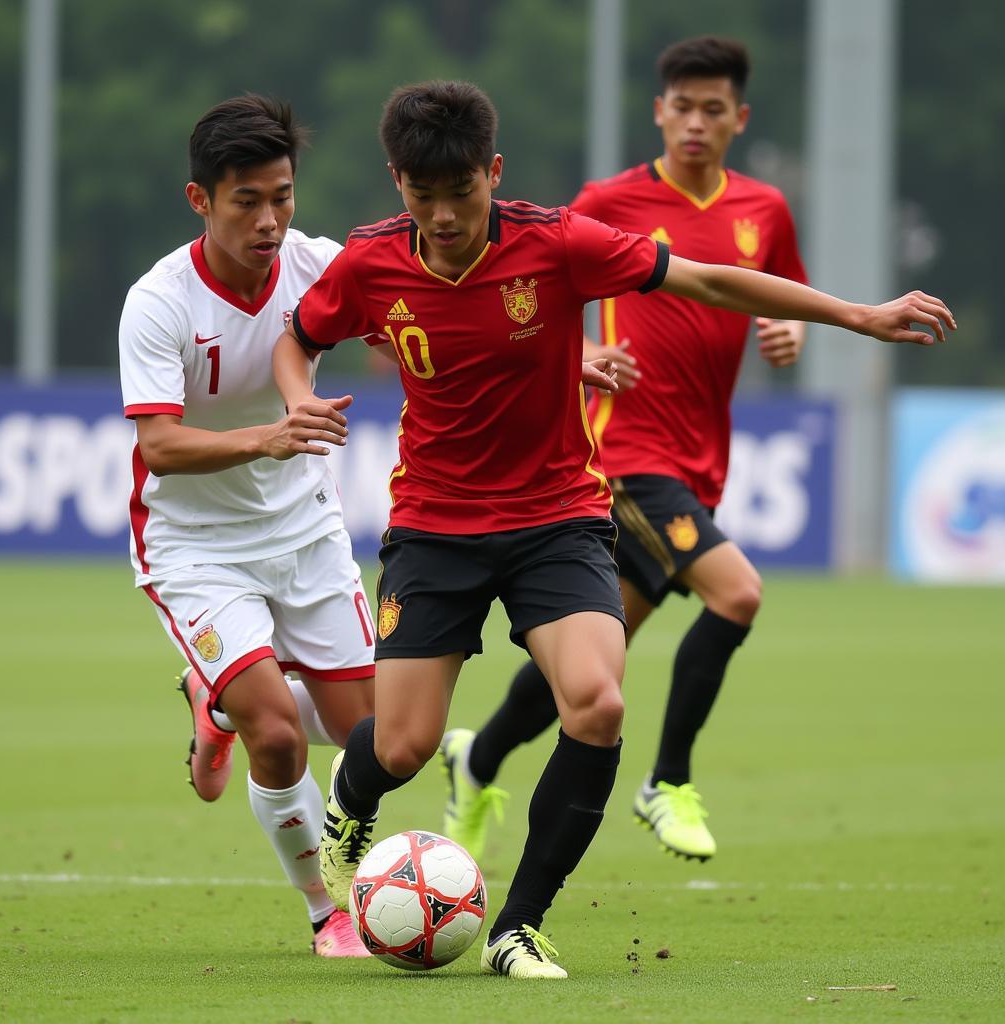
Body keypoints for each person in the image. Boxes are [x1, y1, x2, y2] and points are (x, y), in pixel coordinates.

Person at [272, 79, 952, 980]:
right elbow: (299, 336)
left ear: (494, 172)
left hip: (558, 516)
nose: (442, 217)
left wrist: (854, 315)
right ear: (397, 181)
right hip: (434, 526)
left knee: (596, 704)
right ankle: (350, 806)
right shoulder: (368, 262)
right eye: (422, 195)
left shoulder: (555, 241)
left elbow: (706, 276)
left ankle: (520, 925)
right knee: (399, 746)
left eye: (461, 193)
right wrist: (295, 400)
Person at [440, 36, 812, 865]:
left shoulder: (765, 212)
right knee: (738, 595)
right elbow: (527, 278)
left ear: (738, 119)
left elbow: (775, 295)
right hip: (623, 456)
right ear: (659, 111)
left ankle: (479, 757)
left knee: (591, 670)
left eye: (713, 110)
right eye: (681, 106)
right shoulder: (609, 199)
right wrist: (572, 357)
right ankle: (667, 781)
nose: (695, 123)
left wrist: (785, 331)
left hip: (699, 461)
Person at [118, 94, 376, 958]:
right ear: (200, 199)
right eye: (246, 202)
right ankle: (325, 911)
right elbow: (157, 445)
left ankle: (215, 699)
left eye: (283, 196)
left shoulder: (318, 265)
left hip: (305, 532)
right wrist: (265, 438)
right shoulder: (158, 302)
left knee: (372, 738)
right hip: (195, 549)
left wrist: (568, 359)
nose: (270, 220)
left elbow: (422, 322)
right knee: (275, 732)